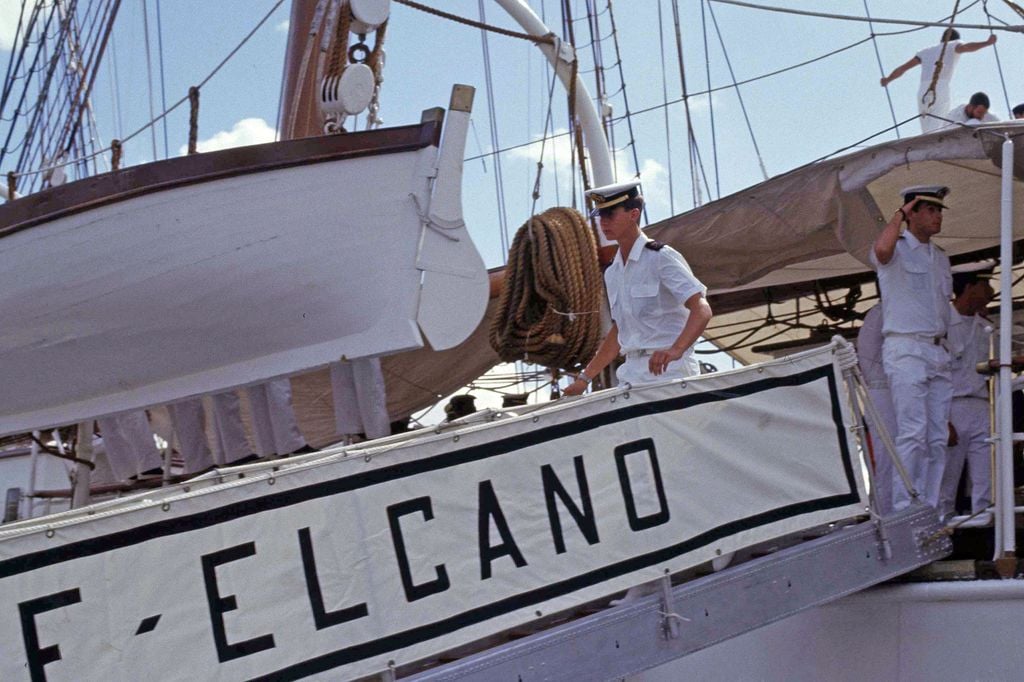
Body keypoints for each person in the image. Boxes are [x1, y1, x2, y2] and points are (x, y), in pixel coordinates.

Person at [564, 180, 712, 397]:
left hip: (670, 373)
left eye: (610, 215)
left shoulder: (661, 257)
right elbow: (620, 331)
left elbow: (701, 309)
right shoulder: (612, 271)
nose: (603, 222)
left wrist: (676, 350)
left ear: (633, 214)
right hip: (631, 376)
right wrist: (584, 379)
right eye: (600, 216)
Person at [870, 185, 954, 511]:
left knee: (936, 438)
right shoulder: (896, 248)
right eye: (930, 209)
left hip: (936, 351)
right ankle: (906, 509)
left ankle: (930, 509)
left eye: (939, 210)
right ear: (912, 212)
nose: (937, 216)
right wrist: (898, 216)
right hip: (905, 348)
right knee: (913, 433)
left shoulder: (941, 257)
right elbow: (881, 251)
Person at [938, 267, 995, 518]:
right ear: (970, 288)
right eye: (985, 284)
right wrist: (941, 418)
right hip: (952, 405)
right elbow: (935, 375)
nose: (991, 291)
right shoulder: (942, 323)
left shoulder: (987, 327)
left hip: (982, 403)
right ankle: (943, 530)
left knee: (986, 474)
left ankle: (986, 529)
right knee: (947, 476)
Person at [880, 30, 997, 133]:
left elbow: (903, 68)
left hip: (923, 90)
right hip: (940, 86)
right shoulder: (953, 45)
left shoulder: (925, 52)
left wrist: (888, 79)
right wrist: (986, 43)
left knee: (926, 128)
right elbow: (966, 47)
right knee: (938, 125)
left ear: (941, 39)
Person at [856, 301, 898, 515]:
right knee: (886, 461)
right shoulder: (881, 314)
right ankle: (884, 515)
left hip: (893, 391)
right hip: (883, 390)